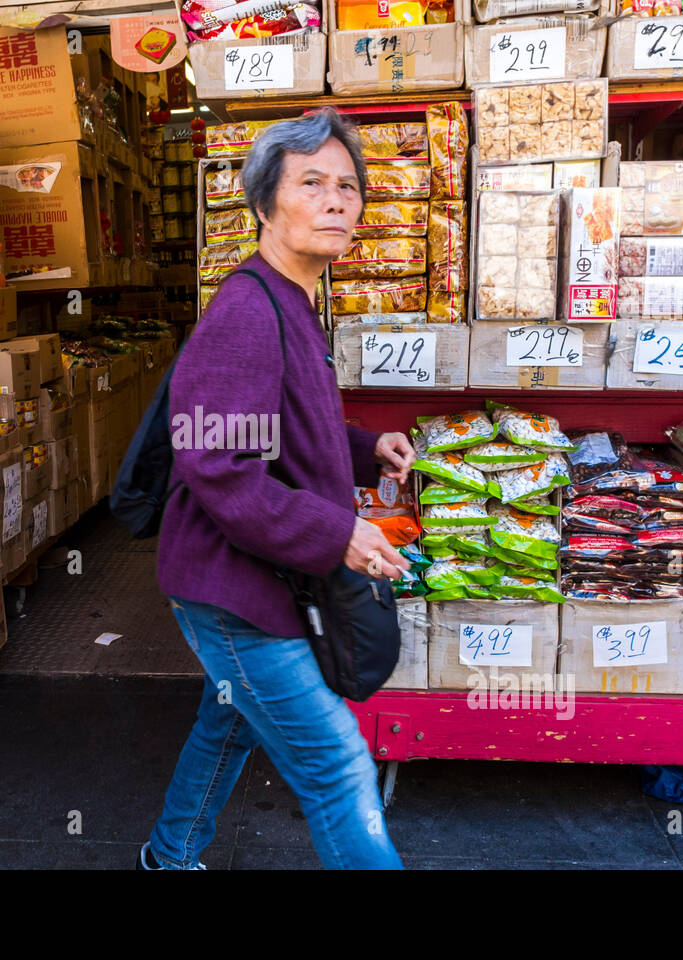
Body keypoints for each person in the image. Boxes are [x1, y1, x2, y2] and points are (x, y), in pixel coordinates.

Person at [142, 107, 415, 871]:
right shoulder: (246, 312)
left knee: (229, 720)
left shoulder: (292, 299)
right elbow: (216, 462)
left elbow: (277, 431)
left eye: (349, 187)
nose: (337, 201)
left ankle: (168, 857)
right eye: (312, 184)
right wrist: (335, 534)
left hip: (261, 576)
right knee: (338, 767)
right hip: (233, 588)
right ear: (264, 204)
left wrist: (367, 452)